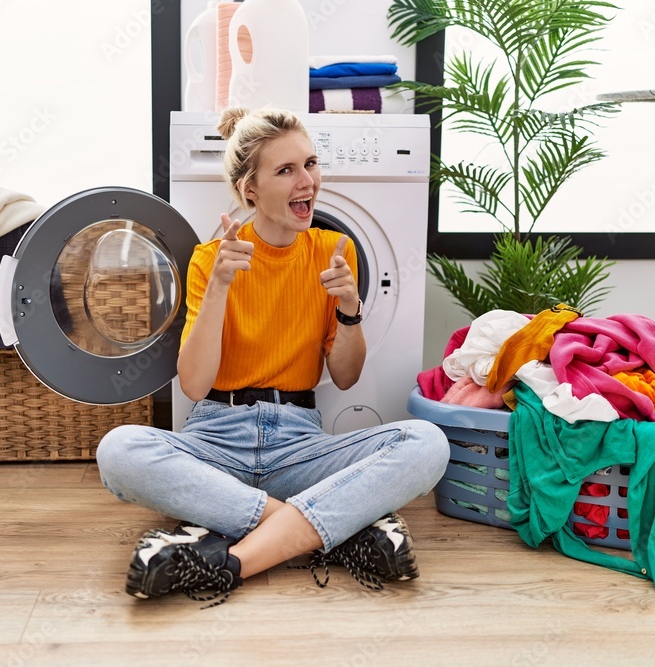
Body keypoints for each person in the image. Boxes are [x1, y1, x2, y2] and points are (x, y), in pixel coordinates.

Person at [96, 106, 448, 606]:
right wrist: (219, 285)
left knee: (426, 441)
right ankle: (334, 529)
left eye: (310, 163)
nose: (307, 180)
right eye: (285, 170)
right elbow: (194, 386)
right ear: (250, 191)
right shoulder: (209, 260)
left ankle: (230, 559)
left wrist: (350, 309)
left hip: (299, 446)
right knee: (119, 450)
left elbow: (345, 378)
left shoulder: (333, 251)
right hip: (215, 439)